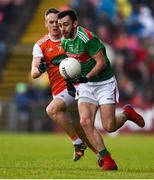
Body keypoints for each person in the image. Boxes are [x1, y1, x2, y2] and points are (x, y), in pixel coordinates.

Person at [58, 9, 145, 170]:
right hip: (85, 85)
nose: (62, 29)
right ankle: (107, 160)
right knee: (85, 121)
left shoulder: (87, 38)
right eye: (60, 25)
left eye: (66, 25)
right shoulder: (65, 41)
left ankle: (127, 113)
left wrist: (86, 77)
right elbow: (71, 63)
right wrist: (71, 80)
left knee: (109, 126)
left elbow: (101, 63)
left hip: (104, 83)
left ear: (75, 24)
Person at [31, 8, 95, 161]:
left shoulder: (72, 39)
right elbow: (33, 72)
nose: (54, 25)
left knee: (51, 109)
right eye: (51, 22)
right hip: (58, 93)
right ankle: (102, 155)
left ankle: (77, 143)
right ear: (46, 24)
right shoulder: (41, 45)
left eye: (57, 23)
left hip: (77, 88)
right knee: (82, 129)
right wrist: (39, 70)